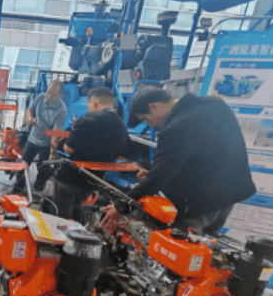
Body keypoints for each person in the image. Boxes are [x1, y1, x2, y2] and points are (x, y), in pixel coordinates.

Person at [101, 87, 256, 235]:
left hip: (202, 202)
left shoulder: (176, 127)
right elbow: (206, 155)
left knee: (180, 246)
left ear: (154, 106)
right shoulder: (214, 104)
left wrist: (120, 207)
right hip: (230, 195)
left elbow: (157, 180)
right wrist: (155, 171)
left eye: (146, 119)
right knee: (206, 244)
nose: (150, 124)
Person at [47, 87, 130, 221]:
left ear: (94, 103)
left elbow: (68, 148)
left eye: (89, 106)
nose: (89, 109)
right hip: (93, 180)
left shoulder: (89, 118)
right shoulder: (121, 125)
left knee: (60, 217)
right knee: (78, 212)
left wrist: (61, 142)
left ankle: (58, 234)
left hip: (71, 177)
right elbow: (124, 152)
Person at [13, 80, 67, 193]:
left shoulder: (62, 110)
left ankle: (37, 191)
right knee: (22, 165)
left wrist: (52, 152)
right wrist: (29, 118)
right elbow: (29, 110)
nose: (49, 96)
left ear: (60, 95)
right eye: (48, 92)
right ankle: (17, 189)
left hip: (46, 144)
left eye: (53, 94)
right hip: (32, 139)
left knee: (43, 169)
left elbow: (55, 133)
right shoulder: (40, 97)